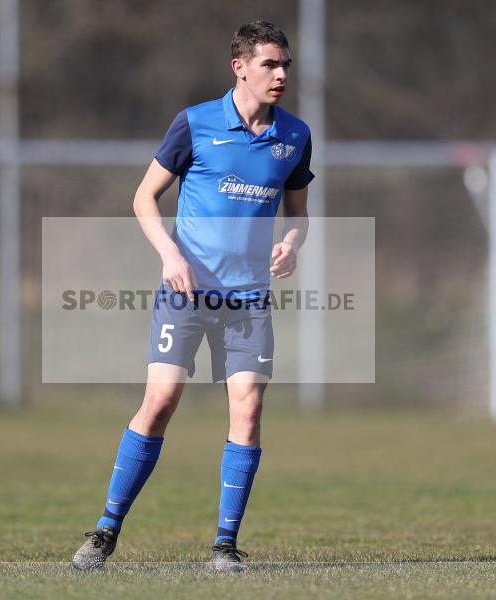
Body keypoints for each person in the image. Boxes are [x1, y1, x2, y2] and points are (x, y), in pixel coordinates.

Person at [72, 20, 313, 573]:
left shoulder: (294, 135)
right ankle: (106, 531)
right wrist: (170, 255)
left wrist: (292, 244)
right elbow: (143, 198)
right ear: (241, 67)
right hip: (186, 294)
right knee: (160, 403)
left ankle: (225, 546)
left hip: (248, 299)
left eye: (286, 65)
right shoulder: (196, 123)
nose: (281, 75)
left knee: (248, 409)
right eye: (271, 64)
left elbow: (298, 213)